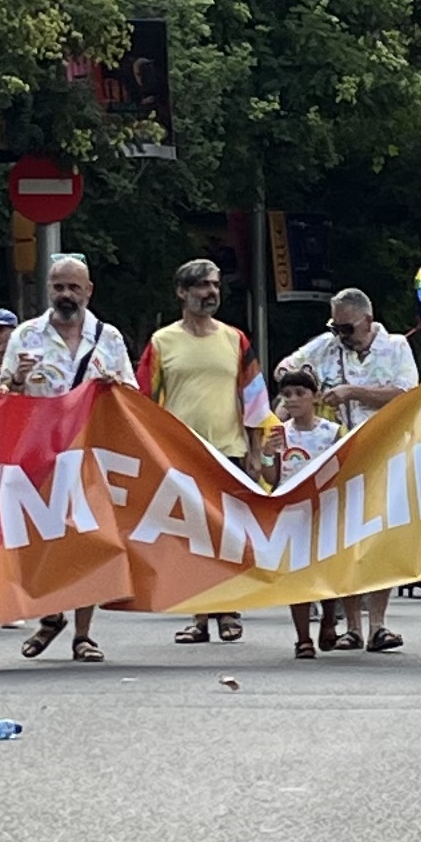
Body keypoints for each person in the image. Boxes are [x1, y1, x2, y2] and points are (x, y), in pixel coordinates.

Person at [6, 254, 139, 662]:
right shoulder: (26, 336)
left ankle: (84, 634)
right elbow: (1, 397)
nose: (65, 295)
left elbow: (132, 398)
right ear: (49, 289)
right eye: (58, 286)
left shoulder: (109, 338)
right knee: (39, 539)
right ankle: (51, 613)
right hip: (38, 456)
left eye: (73, 287)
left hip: (90, 456)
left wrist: (116, 388)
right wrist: (15, 380)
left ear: (88, 291)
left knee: (90, 542)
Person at [276, 286, 417, 653]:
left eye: (347, 329)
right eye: (335, 327)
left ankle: (379, 624)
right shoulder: (327, 346)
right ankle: (352, 625)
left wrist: (353, 392)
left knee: (380, 537)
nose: (340, 335)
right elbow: (286, 368)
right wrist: (304, 386)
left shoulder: (397, 346)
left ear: (367, 321)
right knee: (347, 538)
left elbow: (406, 393)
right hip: (338, 452)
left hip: (386, 450)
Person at [139, 258, 265, 646]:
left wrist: (256, 450)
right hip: (178, 455)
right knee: (191, 537)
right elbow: (141, 400)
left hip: (228, 449)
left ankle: (228, 610)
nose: (210, 293)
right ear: (182, 292)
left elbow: (255, 397)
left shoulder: (235, 339)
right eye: (201, 286)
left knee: (227, 535)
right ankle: (198, 616)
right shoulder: (162, 342)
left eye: (214, 286)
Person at [267, 364, 346, 659]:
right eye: (286, 394)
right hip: (292, 510)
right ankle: (302, 638)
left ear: (315, 397)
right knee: (296, 575)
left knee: (326, 570)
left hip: (325, 508)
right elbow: (272, 476)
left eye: (300, 393)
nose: (292, 400)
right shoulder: (279, 433)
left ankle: (328, 618)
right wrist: (267, 452)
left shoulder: (332, 432)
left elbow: (345, 467)